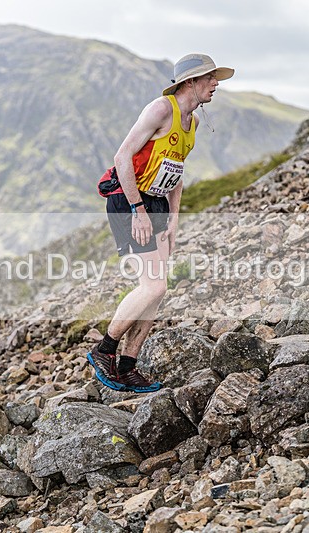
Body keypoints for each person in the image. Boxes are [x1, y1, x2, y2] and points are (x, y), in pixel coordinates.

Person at [87, 53, 234, 393]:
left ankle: (127, 366)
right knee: (153, 286)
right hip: (129, 200)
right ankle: (104, 350)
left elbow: (177, 174)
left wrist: (173, 218)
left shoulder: (192, 123)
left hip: (156, 203)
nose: (216, 85)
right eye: (210, 78)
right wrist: (138, 210)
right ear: (190, 82)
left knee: (156, 292)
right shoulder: (160, 110)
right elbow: (121, 157)